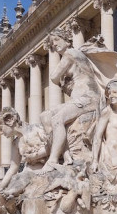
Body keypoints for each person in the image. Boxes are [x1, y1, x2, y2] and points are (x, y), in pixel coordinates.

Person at [40, 29, 103, 172]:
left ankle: (53, 160)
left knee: (57, 119)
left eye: (56, 40)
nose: (54, 44)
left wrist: (64, 79)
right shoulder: (74, 56)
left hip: (89, 97)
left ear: (67, 40)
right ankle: (66, 154)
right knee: (44, 116)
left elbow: (54, 77)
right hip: (80, 99)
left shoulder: (70, 53)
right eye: (51, 42)